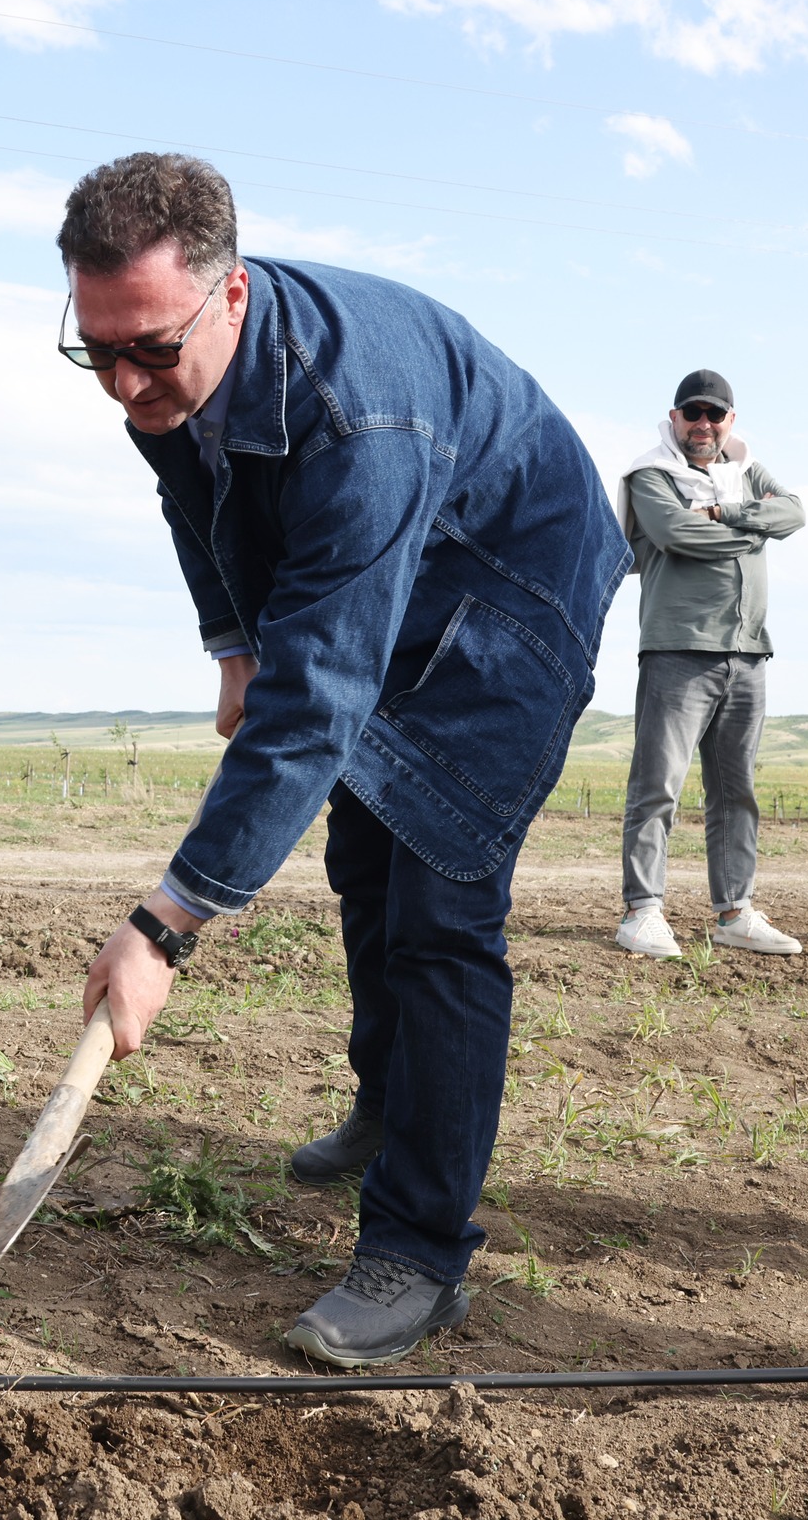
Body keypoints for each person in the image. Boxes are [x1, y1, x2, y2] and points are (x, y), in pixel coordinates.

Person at [60, 154, 628, 1368]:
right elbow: (187, 490)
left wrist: (163, 924)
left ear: (228, 293)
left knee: (438, 905)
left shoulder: (359, 417)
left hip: (508, 586)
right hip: (399, 569)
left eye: (149, 350)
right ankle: (388, 1099)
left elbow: (316, 699)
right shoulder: (165, 366)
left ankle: (418, 1253)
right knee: (362, 856)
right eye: (93, 350)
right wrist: (230, 640)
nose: (122, 382)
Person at [614, 371, 804, 959]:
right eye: (692, 412)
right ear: (673, 417)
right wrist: (751, 531)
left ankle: (735, 913)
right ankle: (642, 912)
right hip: (678, 648)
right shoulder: (650, 474)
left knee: (736, 792)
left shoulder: (748, 470)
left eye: (714, 414)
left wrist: (723, 512)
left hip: (747, 651)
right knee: (657, 787)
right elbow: (676, 534)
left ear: (730, 420)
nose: (703, 424)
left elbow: (793, 513)